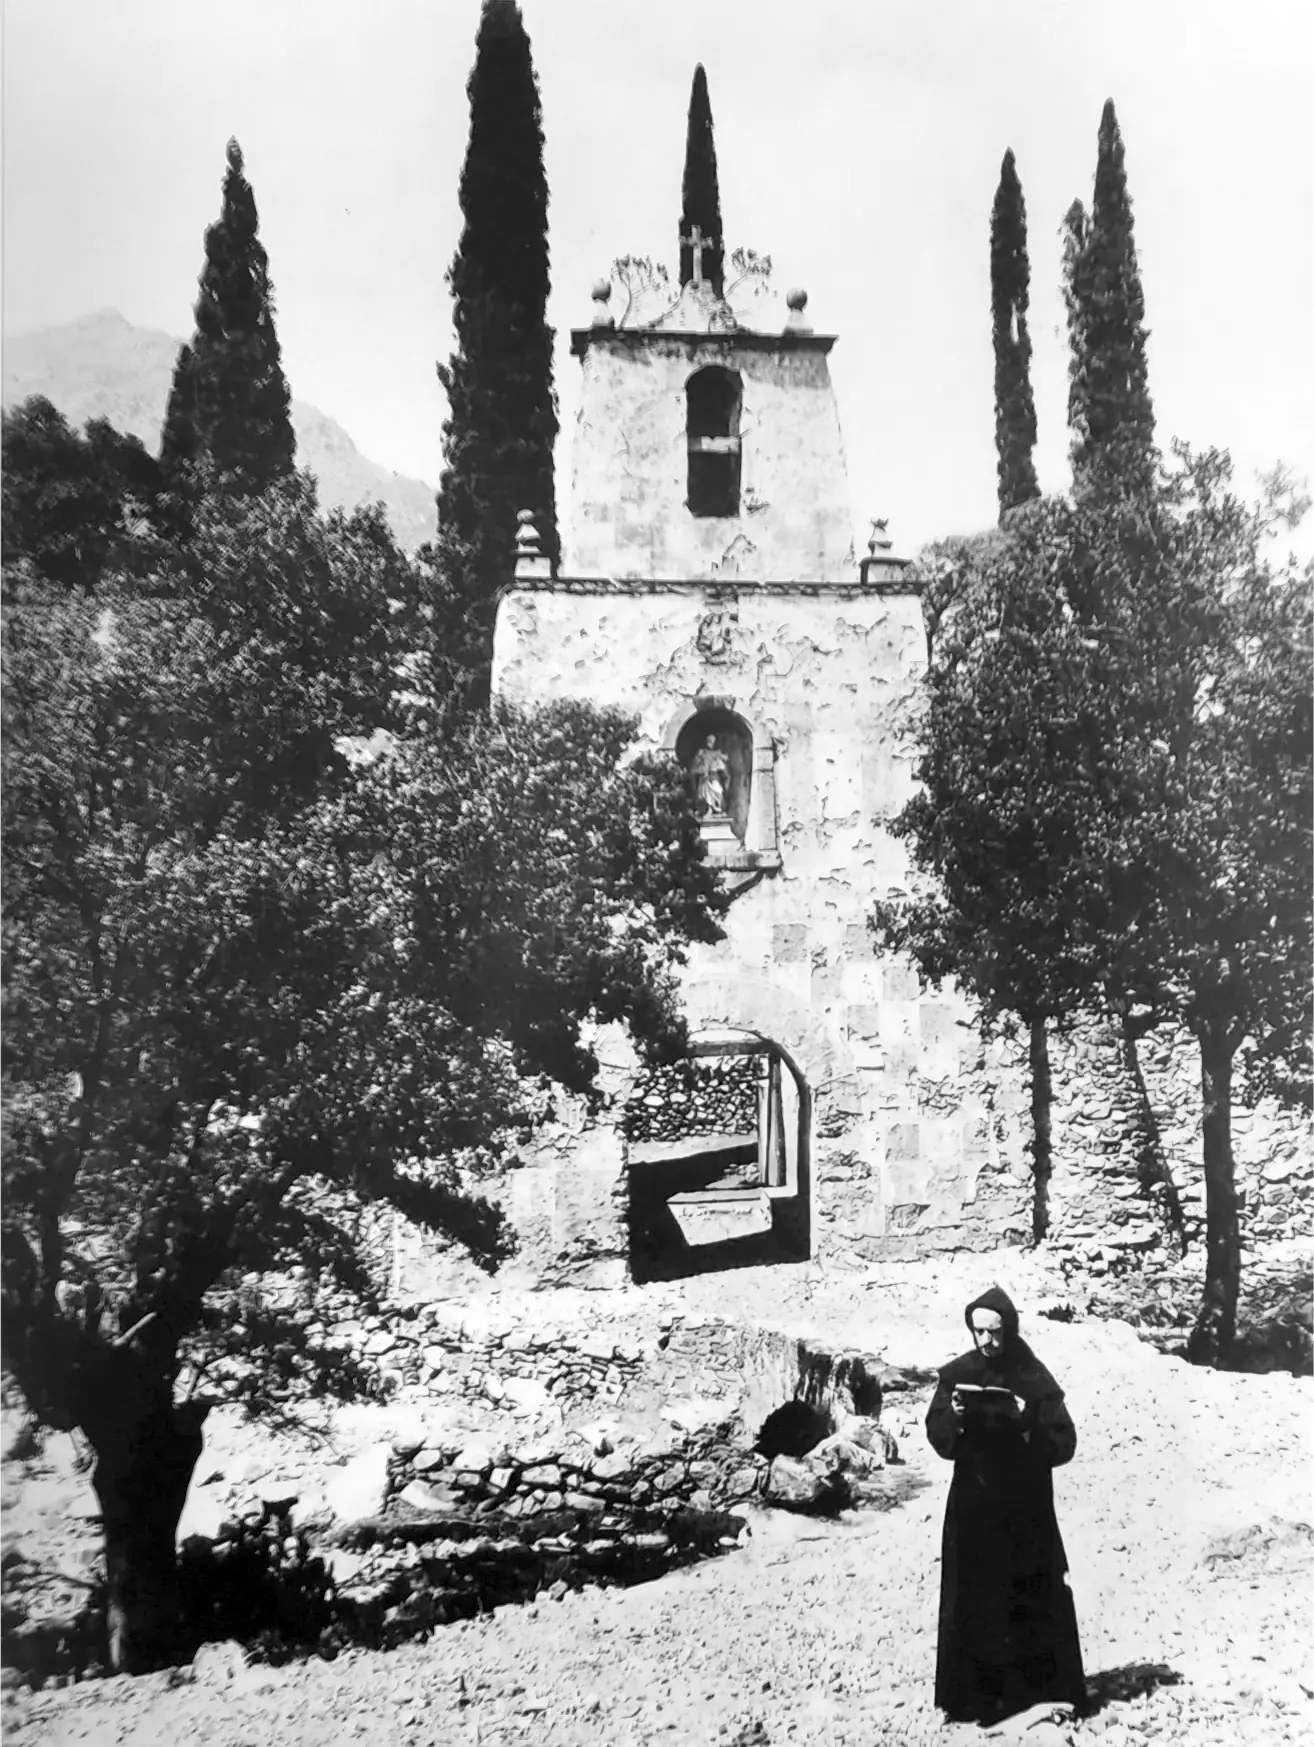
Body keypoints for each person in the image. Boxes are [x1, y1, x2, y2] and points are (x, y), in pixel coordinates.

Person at [925, 1286, 1086, 1726]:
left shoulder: (1032, 1376)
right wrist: (955, 1412)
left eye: (994, 1333)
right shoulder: (959, 1373)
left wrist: (1026, 1416)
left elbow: (1064, 1443)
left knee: (1029, 1590)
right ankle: (975, 1699)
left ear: (1009, 1329)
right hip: (974, 1506)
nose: (986, 1343)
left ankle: (1038, 1690)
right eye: (978, 1332)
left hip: (1024, 1507)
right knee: (974, 1595)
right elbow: (940, 1440)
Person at [689, 734, 729, 815]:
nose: (711, 743)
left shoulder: (717, 753)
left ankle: (718, 808)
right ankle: (708, 810)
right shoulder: (701, 753)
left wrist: (720, 762)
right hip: (704, 779)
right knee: (705, 795)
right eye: (709, 741)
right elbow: (694, 767)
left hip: (714, 777)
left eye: (712, 742)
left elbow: (725, 760)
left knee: (718, 791)